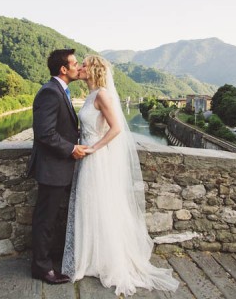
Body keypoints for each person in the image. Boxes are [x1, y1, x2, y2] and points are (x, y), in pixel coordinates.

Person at [62, 55, 179, 296]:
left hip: (97, 159)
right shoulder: (91, 95)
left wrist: (94, 147)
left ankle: (105, 260)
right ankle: (92, 258)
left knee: (98, 204)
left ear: (94, 70)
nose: (81, 68)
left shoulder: (103, 94)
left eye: (84, 65)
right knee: (89, 205)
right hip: (87, 158)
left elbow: (116, 128)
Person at [27, 49, 88, 285]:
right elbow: (45, 133)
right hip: (52, 168)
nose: (78, 67)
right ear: (63, 69)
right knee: (45, 219)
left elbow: (63, 128)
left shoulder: (60, 90)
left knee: (51, 218)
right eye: (74, 64)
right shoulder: (50, 92)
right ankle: (41, 269)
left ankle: (48, 261)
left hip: (59, 168)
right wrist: (72, 149)